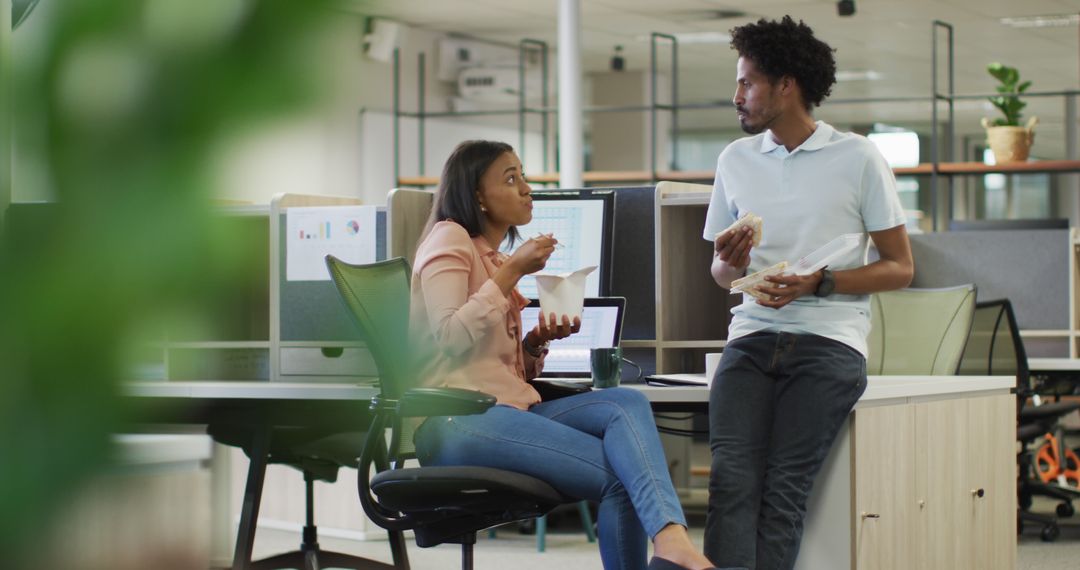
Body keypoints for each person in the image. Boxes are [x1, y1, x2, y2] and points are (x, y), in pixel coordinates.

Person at [410, 140, 723, 570]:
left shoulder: (492, 256)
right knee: (621, 480)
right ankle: (672, 546)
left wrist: (535, 343)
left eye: (524, 175)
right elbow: (447, 338)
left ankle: (671, 542)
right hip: (458, 418)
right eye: (511, 178)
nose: (526, 188)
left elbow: (499, 368)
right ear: (477, 194)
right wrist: (512, 271)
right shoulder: (451, 238)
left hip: (506, 409)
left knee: (626, 401)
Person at [702, 16, 914, 570]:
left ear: (786, 85)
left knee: (782, 491)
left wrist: (819, 283)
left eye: (747, 83)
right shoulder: (735, 161)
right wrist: (731, 263)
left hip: (828, 343)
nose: (737, 96)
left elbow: (899, 268)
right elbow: (720, 277)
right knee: (730, 484)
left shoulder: (859, 158)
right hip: (750, 338)